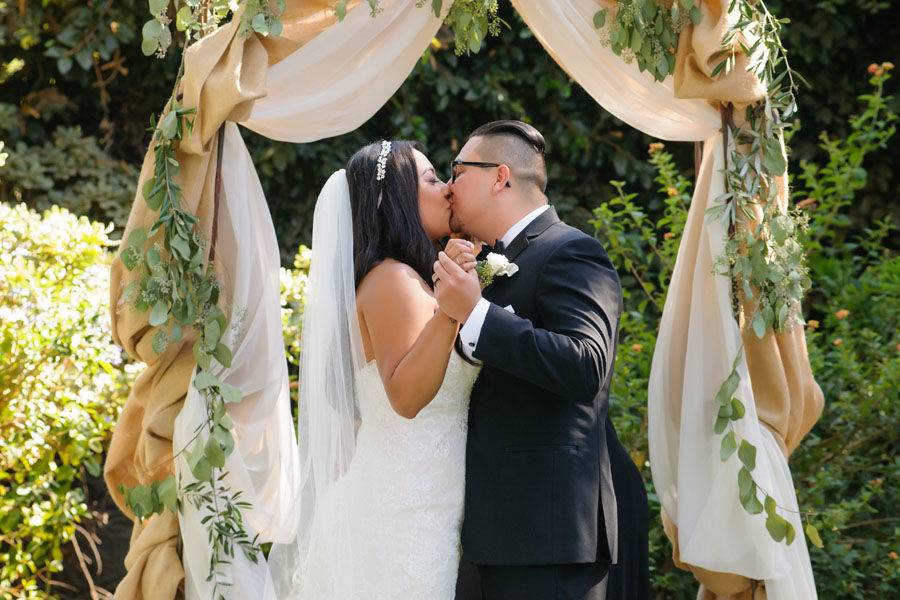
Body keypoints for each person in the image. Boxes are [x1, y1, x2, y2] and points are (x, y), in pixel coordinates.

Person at [434, 120, 650, 600]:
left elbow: (585, 364)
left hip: (548, 536)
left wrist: (476, 314)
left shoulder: (571, 251)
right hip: (493, 536)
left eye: (457, 171)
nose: (448, 187)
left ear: (499, 176)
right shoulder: (486, 264)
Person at [268, 140, 480, 599]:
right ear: (394, 200)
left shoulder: (411, 278)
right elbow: (405, 398)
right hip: (400, 516)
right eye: (430, 179)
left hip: (419, 504)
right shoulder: (391, 280)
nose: (446, 189)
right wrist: (450, 311)